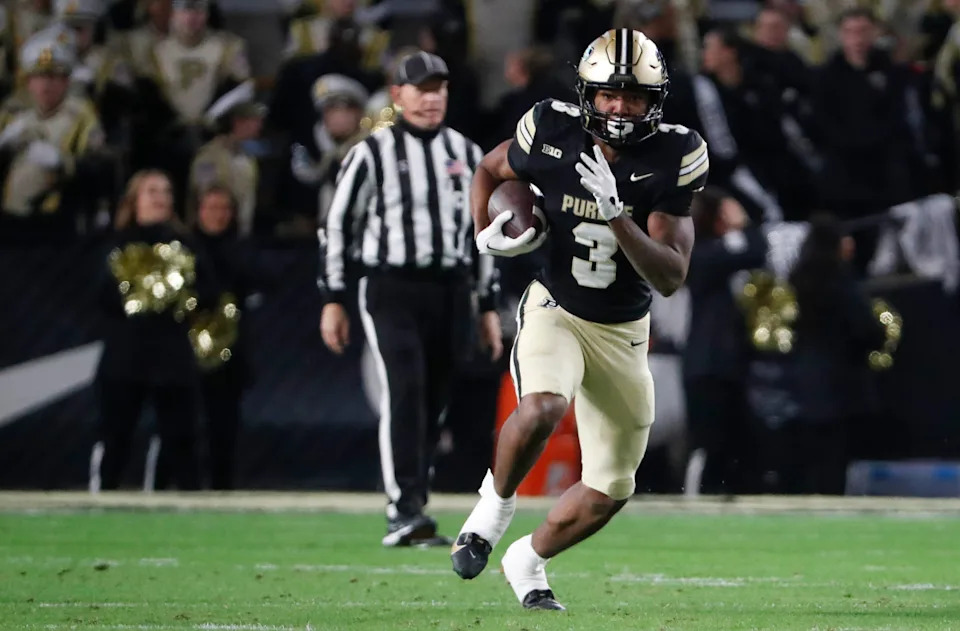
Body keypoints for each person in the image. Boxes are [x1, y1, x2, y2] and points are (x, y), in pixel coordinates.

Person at [450, 28, 709, 611]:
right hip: (558, 309)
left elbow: (670, 275)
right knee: (543, 406)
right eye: (609, 94)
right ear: (588, 95)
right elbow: (489, 170)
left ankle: (528, 559)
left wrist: (617, 215)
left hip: (623, 331)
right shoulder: (551, 128)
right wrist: (485, 232)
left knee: (610, 488)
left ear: (655, 101)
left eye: (634, 97)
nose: (619, 108)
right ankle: (493, 509)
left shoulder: (675, 154)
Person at [319, 50, 503, 547]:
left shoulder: (467, 152)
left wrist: (486, 304)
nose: (431, 98)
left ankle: (414, 504)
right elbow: (338, 225)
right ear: (398, 95)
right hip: (391, 286)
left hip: (451, 288)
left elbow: (483, 231)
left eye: (438, 88)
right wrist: (333, 296)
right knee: (405, 389)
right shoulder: (371, 152)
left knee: (435, 399)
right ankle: (402, 509)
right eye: (421, 89)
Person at [90, 169, 217, 492]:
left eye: (166, 191)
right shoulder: (116, 243)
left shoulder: (186, 244)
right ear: (134, 200)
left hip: (172, 355)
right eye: (152, 191)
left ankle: (190, 507)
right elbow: (102, 297)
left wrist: (178, 294)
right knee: (116, 436)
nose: (161, 198)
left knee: (182, 438)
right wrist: (142, 294)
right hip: (125, 355)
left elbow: (208, 292)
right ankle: (102, 502)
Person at [682, 186, 767, 496]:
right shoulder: (701, 254)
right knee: (708, 442)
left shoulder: (714, 252)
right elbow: (756, 251)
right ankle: (695, 496)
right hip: (706, 365)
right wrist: (744, 224)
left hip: (726, 363)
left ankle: (724, 494)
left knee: (734, 442)